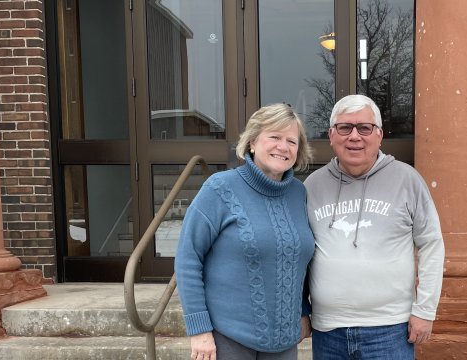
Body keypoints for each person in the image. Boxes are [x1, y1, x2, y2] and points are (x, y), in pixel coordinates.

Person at [304, 94, 445, 359]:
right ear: (331, 135)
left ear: (379, 135)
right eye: (345, 127)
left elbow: (431, 244)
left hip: (390, 330)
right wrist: (301, 311)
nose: (354, 136)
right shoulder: (312, 186)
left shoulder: (407, 180)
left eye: (364, 128)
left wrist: (425, 310)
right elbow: (297, 252)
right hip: (328, 332)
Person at [175, 103, 315, 360]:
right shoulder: (220, 188)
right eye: (274, 137)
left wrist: (303, 310)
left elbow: (298, 258)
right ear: (252, 142)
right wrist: (199, 330)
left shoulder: (299, 193)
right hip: (228, 340)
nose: (283, 147)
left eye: (291, 141)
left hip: (284, 343)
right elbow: (188, 258)